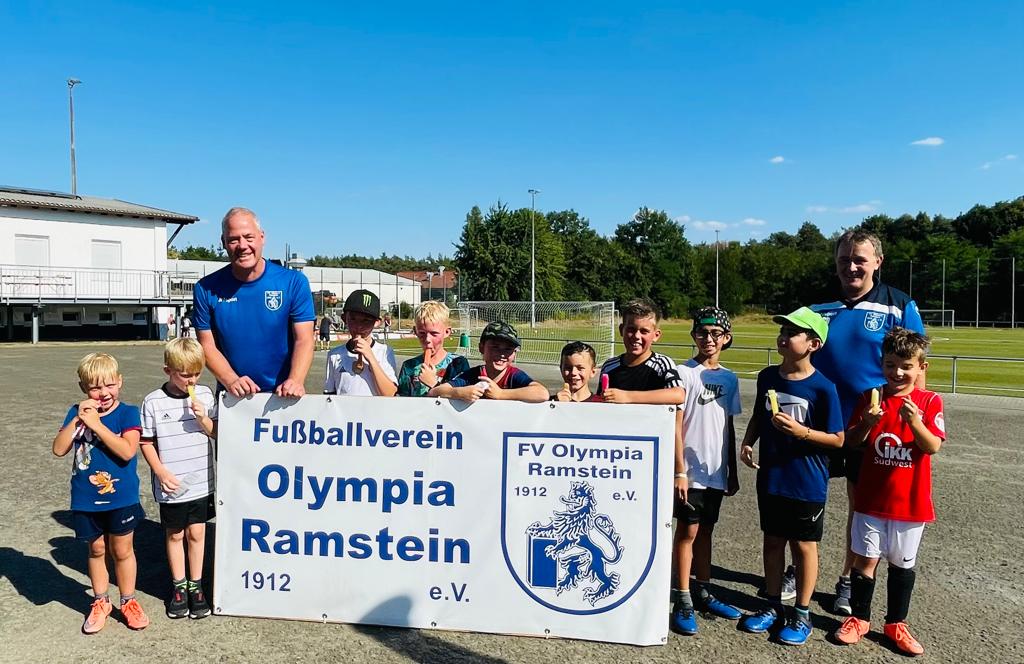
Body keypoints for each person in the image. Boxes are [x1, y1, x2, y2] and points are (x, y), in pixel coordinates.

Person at [810, 229, 926, 615]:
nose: (852, 267)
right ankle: (799, 569)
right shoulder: (817, 306)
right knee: (808, 501)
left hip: (873, 426)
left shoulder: (898, 304)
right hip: (821, 421)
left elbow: (916, 368)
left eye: (859, 259)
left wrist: (914, 421)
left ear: (878, 261)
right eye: (844, 259)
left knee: (861, 508)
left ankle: (846, 580)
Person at [832, 328, 944, 656]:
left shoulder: (929, 401)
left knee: (901, 565)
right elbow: (852, 441)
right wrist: (867, 422)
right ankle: (859, 619)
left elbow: (932, 446)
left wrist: (915, 422)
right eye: (890, 364)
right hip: (871, 500)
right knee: (865, 561)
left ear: (921, 367)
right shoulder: (871, 397)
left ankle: (896, 624)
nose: (897, 373)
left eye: (906, 366)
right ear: (881, 364)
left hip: (910, 503)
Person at [738, 307, 844, 646]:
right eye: (782, 331)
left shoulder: (823, 387)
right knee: (772, 541)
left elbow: (838, 439)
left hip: (807, 480)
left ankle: (801, 612)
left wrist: (802, 432)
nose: (783, 337)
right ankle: (772, 604)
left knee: (803, 546)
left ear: (814, 344)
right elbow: (759, 415)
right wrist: (748, 441)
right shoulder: (767, 376)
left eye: (793, 332)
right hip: (772, 476)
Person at [51, 353, 149, 633]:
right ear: (83, 388)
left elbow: (127, 451)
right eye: (95, 387)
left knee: (122, 550)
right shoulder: (76, 413)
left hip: (121, 496)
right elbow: (59, 449)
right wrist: (78, 420)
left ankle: (128, 601)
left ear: (120, 382)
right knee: (96, 550)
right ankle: (101, 601)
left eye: (109, 385)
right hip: (85, 497)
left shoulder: (128, 412)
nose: (103, 393)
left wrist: (96, 425)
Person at [670, 307, 743, 635]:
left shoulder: (730, 378)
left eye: (715, 334)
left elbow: (728, 425)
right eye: (702, 333)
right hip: (689, 472)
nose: (708, 339)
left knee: (707, 532)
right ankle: (682, 597)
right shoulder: (683, 373)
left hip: (715, 470)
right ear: (693, 336)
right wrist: (679, 470)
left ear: (726, 338)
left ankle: (703, 590)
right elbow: (675, 424)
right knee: (687, 532)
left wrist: (732, 471)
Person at [192, 207, 315, 398]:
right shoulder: (205, 288)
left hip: (283, 395)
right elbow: (206, 345)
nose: (242, 245)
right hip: (233, 396)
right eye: (234, 239)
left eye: (249, 237)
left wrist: (296, 379)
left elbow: (304, 339)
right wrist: (231, 380)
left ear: (262, 237)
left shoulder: (293, 282)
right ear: (223, 242)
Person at [139, 338, 217, 620]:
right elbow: (146, 442)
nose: (191, 380)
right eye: (184, 375)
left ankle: (196, 586)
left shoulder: (205, 395)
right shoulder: (153, 402)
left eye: (196, 373)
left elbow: (216, 432)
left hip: (201, 481)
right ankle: (179, 586)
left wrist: (204, 420)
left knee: (197, 533)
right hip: (171, 484)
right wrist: (160, 471)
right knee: (175, 534)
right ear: (168, 371)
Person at [429, 321, 548, 403]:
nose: (502, 354)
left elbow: (542, 393)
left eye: (508, 349)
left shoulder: (514, 375)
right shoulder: (474, 375)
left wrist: (501, 394)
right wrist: (459, 393)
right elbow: (435, 392)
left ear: (514, 352)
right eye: (495, 347)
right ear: (482, 348)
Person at [325, 289, 398, 396]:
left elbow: (391, 393)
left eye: (366, 321)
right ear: (344, 318)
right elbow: (329, 397)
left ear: (377, 322)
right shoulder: (334, 355)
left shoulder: (385, 352)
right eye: (353, 319)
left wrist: (371, 358)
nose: (358, 326)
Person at [398, 301, 470, 397]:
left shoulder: (458, 363)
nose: (427, 339)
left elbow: (462, 397)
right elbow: (403, 401)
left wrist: (433, 383)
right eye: (422, 333)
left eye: (434, 334)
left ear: (447, 332)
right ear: (415, 331)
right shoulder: (409, 367)